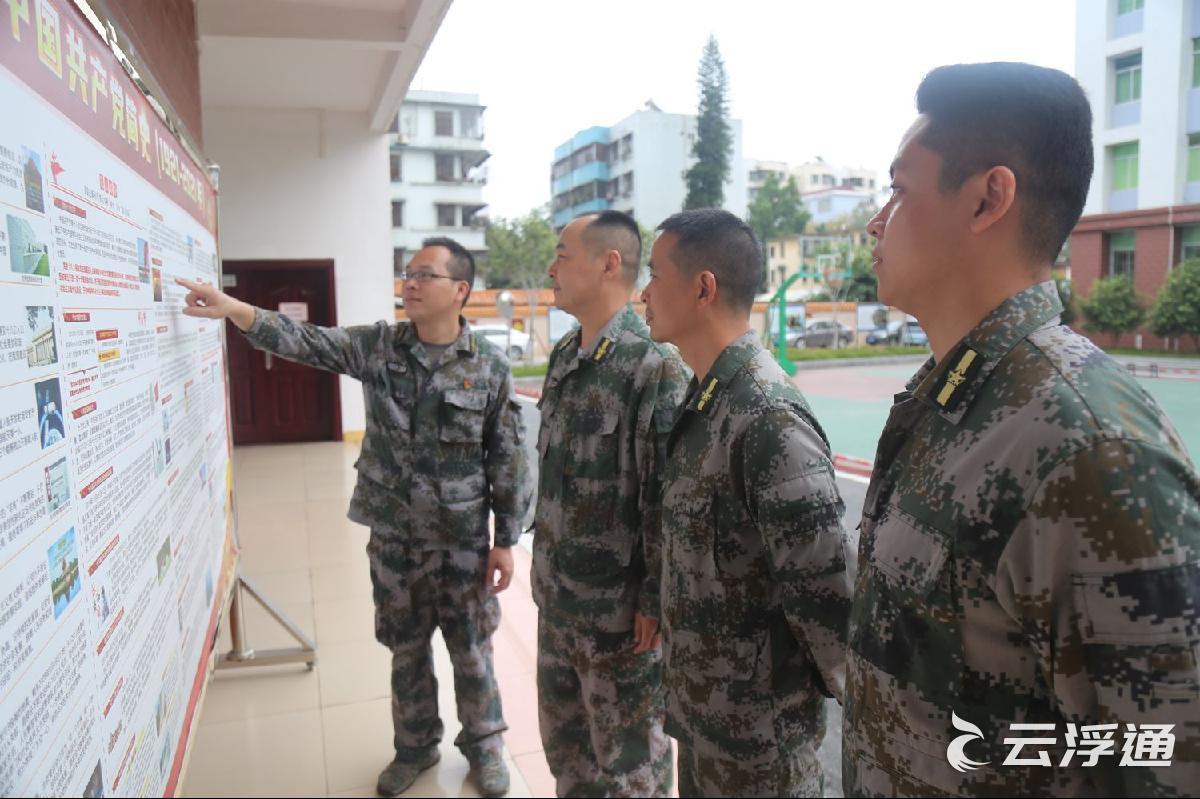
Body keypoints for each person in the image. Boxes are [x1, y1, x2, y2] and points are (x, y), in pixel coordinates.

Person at [843, 62, 1200, 797]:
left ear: (987, 198)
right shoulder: (947, 396)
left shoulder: (1088, 444)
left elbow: (1161, 758)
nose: (877, 222)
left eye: (899, 190)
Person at [177, 237, 529, 798]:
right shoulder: (378, 347)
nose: (409, 283)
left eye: (425, 275)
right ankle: (414, 748)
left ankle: (485, 747)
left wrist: (506, 539)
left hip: (461, 540)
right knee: (406, 648)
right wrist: (235, 309)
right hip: (393, 538)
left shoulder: (488, 367)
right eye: (407, 273)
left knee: (472, 649)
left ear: (460, 291)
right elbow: (308, 341)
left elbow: (508, 457)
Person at [640, 208, 852, 797]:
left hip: (761, 752)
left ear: (703, 287)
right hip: (707, 727)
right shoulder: (707, 399)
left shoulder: (766, 417)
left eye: (655, 275)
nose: (643, 292)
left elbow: (829, 598)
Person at [533, 210, 688, 796]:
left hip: (620, 621)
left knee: (630, 771)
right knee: (567, 757)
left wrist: (653, 597)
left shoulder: (652, 363)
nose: (552, 268)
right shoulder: (568, 353)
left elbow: (666, 493)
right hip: (557, 601)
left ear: (609, 262)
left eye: (562, 254)